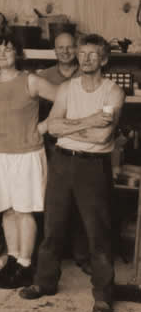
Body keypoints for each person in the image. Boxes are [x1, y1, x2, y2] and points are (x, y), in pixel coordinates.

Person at [20, 34, 125, 312]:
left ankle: (103, 297)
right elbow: (52, 127)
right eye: (83, 53)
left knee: (98, 234)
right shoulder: (67, 88)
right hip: (62, 163)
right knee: (53, 228)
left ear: (103, 59)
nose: (86, 58)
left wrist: (70, 127)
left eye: (93, 54)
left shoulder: (114, 91)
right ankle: (44, 282)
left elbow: (103, 135)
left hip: (93, 166)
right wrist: (89, 122)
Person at [0, 35, 56, 290]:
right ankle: (12, 259)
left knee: (24, 210)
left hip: (26, 154)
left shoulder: (30, 80)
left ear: (18, 55)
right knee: (8, 210)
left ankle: (25, 264)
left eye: (8, 49)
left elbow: (65, 98)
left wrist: (44, 126)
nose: (2, 54)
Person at [38, 32, 91, 276]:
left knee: (82, 201)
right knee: (53, 203)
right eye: (61, 48)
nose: (65, 52)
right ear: (54, 50)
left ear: (77, 50)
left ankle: (82, 255)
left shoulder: (88, 72)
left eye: (70, 47)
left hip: (82, 145)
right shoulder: (44, 76)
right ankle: (53, 258)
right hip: (52, 145)